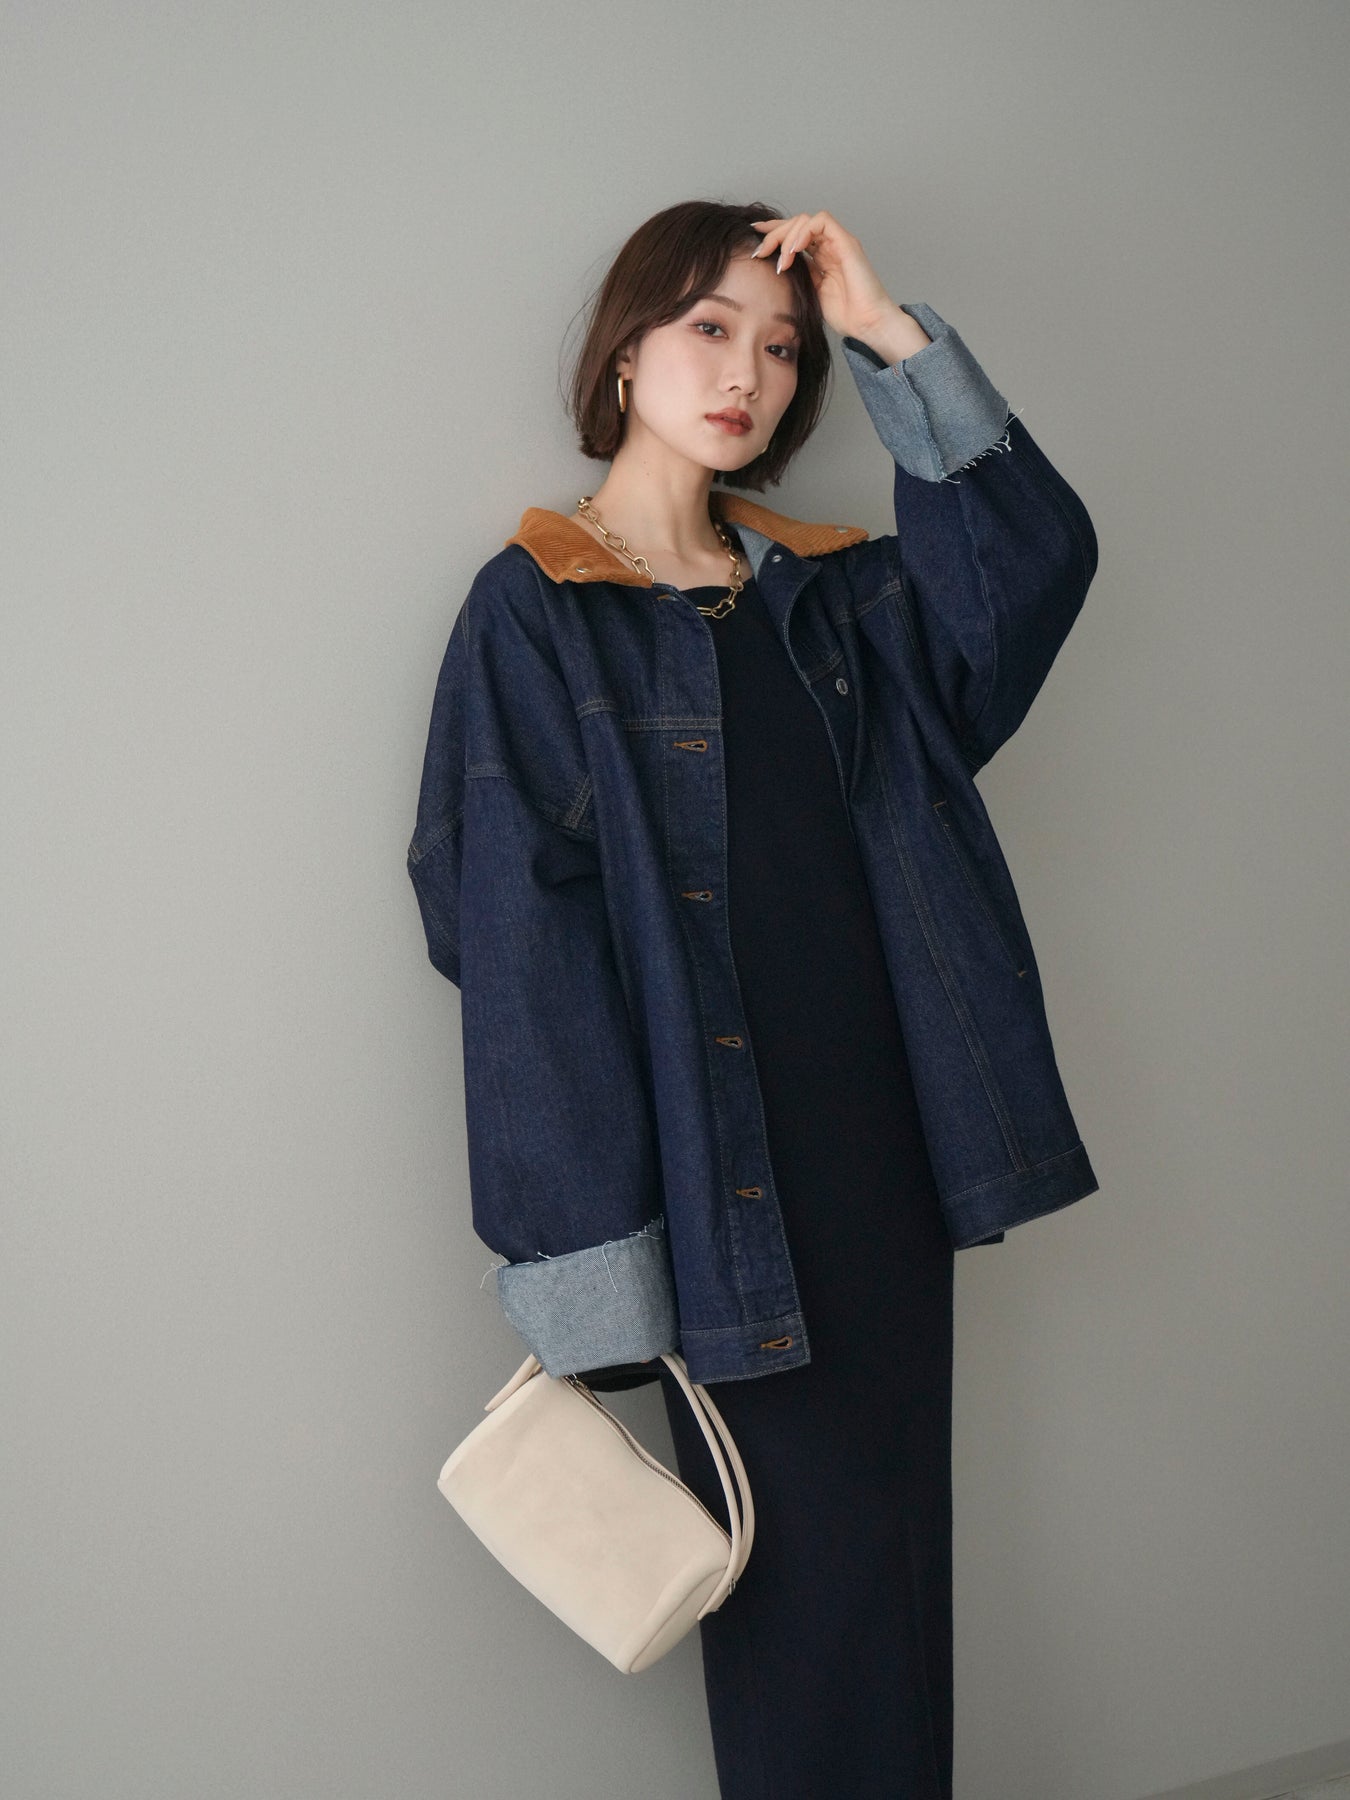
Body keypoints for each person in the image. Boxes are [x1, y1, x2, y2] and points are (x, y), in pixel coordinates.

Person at [406, 198, 1100, 1800]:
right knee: (806, 1594)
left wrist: (887, 335)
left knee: (887, 1569)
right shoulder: (538, 610)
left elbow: (1030, 572)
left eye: (782, 350)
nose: (747, 375)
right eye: (709, 329)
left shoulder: (836, 597)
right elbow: (509, 943)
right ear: (625, 352)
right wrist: (589, 1253)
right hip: (718, 1176)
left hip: (881, 1150)